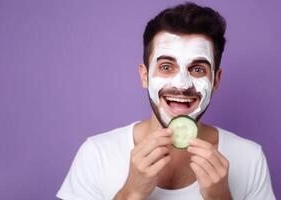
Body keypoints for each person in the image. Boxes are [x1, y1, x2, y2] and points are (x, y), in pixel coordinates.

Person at [56, 2, 276, 200]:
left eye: (198, 69)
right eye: (166, 67)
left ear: (216, 80)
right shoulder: (96, 153)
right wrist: (131, 193)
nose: (182, 84)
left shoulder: (250, 158)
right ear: (144, 76)